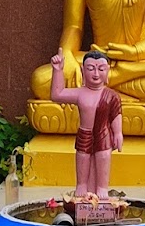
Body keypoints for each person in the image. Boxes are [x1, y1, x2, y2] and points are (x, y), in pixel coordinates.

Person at [49, 50, 123, 197]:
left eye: (101, 69)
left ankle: (102, 188)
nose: (96, 74)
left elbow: (116, 115)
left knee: (103, 157)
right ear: (82, 70)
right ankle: (81, 186)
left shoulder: (112, 96)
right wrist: (58, 70)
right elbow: (57, 95)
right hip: (85, 133)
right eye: (90, 68)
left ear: (108, 70)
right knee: (82, 157)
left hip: (103, 133)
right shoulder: (80, 93)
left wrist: (118, 133)